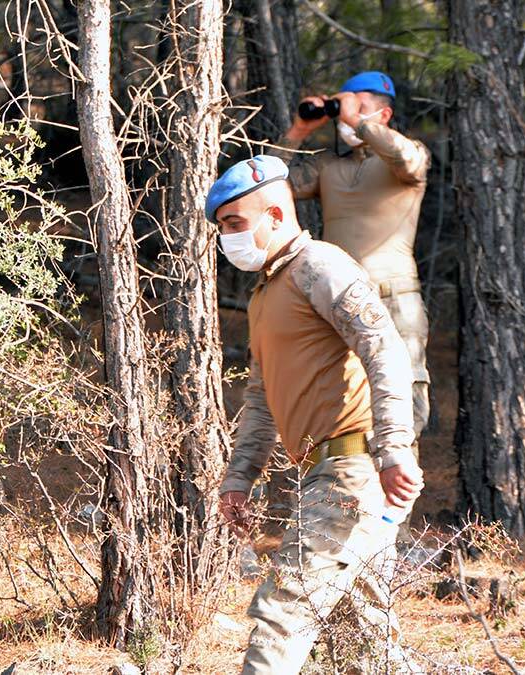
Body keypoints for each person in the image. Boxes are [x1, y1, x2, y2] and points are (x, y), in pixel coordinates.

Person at [208, 154, 424, 674]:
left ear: (277, 216)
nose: (227, 238)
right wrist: (239, 478)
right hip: (322, 472)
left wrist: (394, 447)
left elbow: (385, 349)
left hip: (354, 471)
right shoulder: (265, 293)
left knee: (284, 610)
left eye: (235, 224)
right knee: (365, 640)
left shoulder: (321, 267)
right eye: (221, 228)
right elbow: (261, 397)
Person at [276, 70, 433, 454]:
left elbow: (407, 159)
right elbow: (269, 185)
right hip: (339, 301)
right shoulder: (328, 166)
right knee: (343, 401)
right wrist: (298, 132)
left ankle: (398, 507)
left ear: (383, 116)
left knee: (401, 404)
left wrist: (355, 120)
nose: (345, 114)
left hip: (394, 299)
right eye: (342, 105)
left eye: (361, 106)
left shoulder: (408, 158)